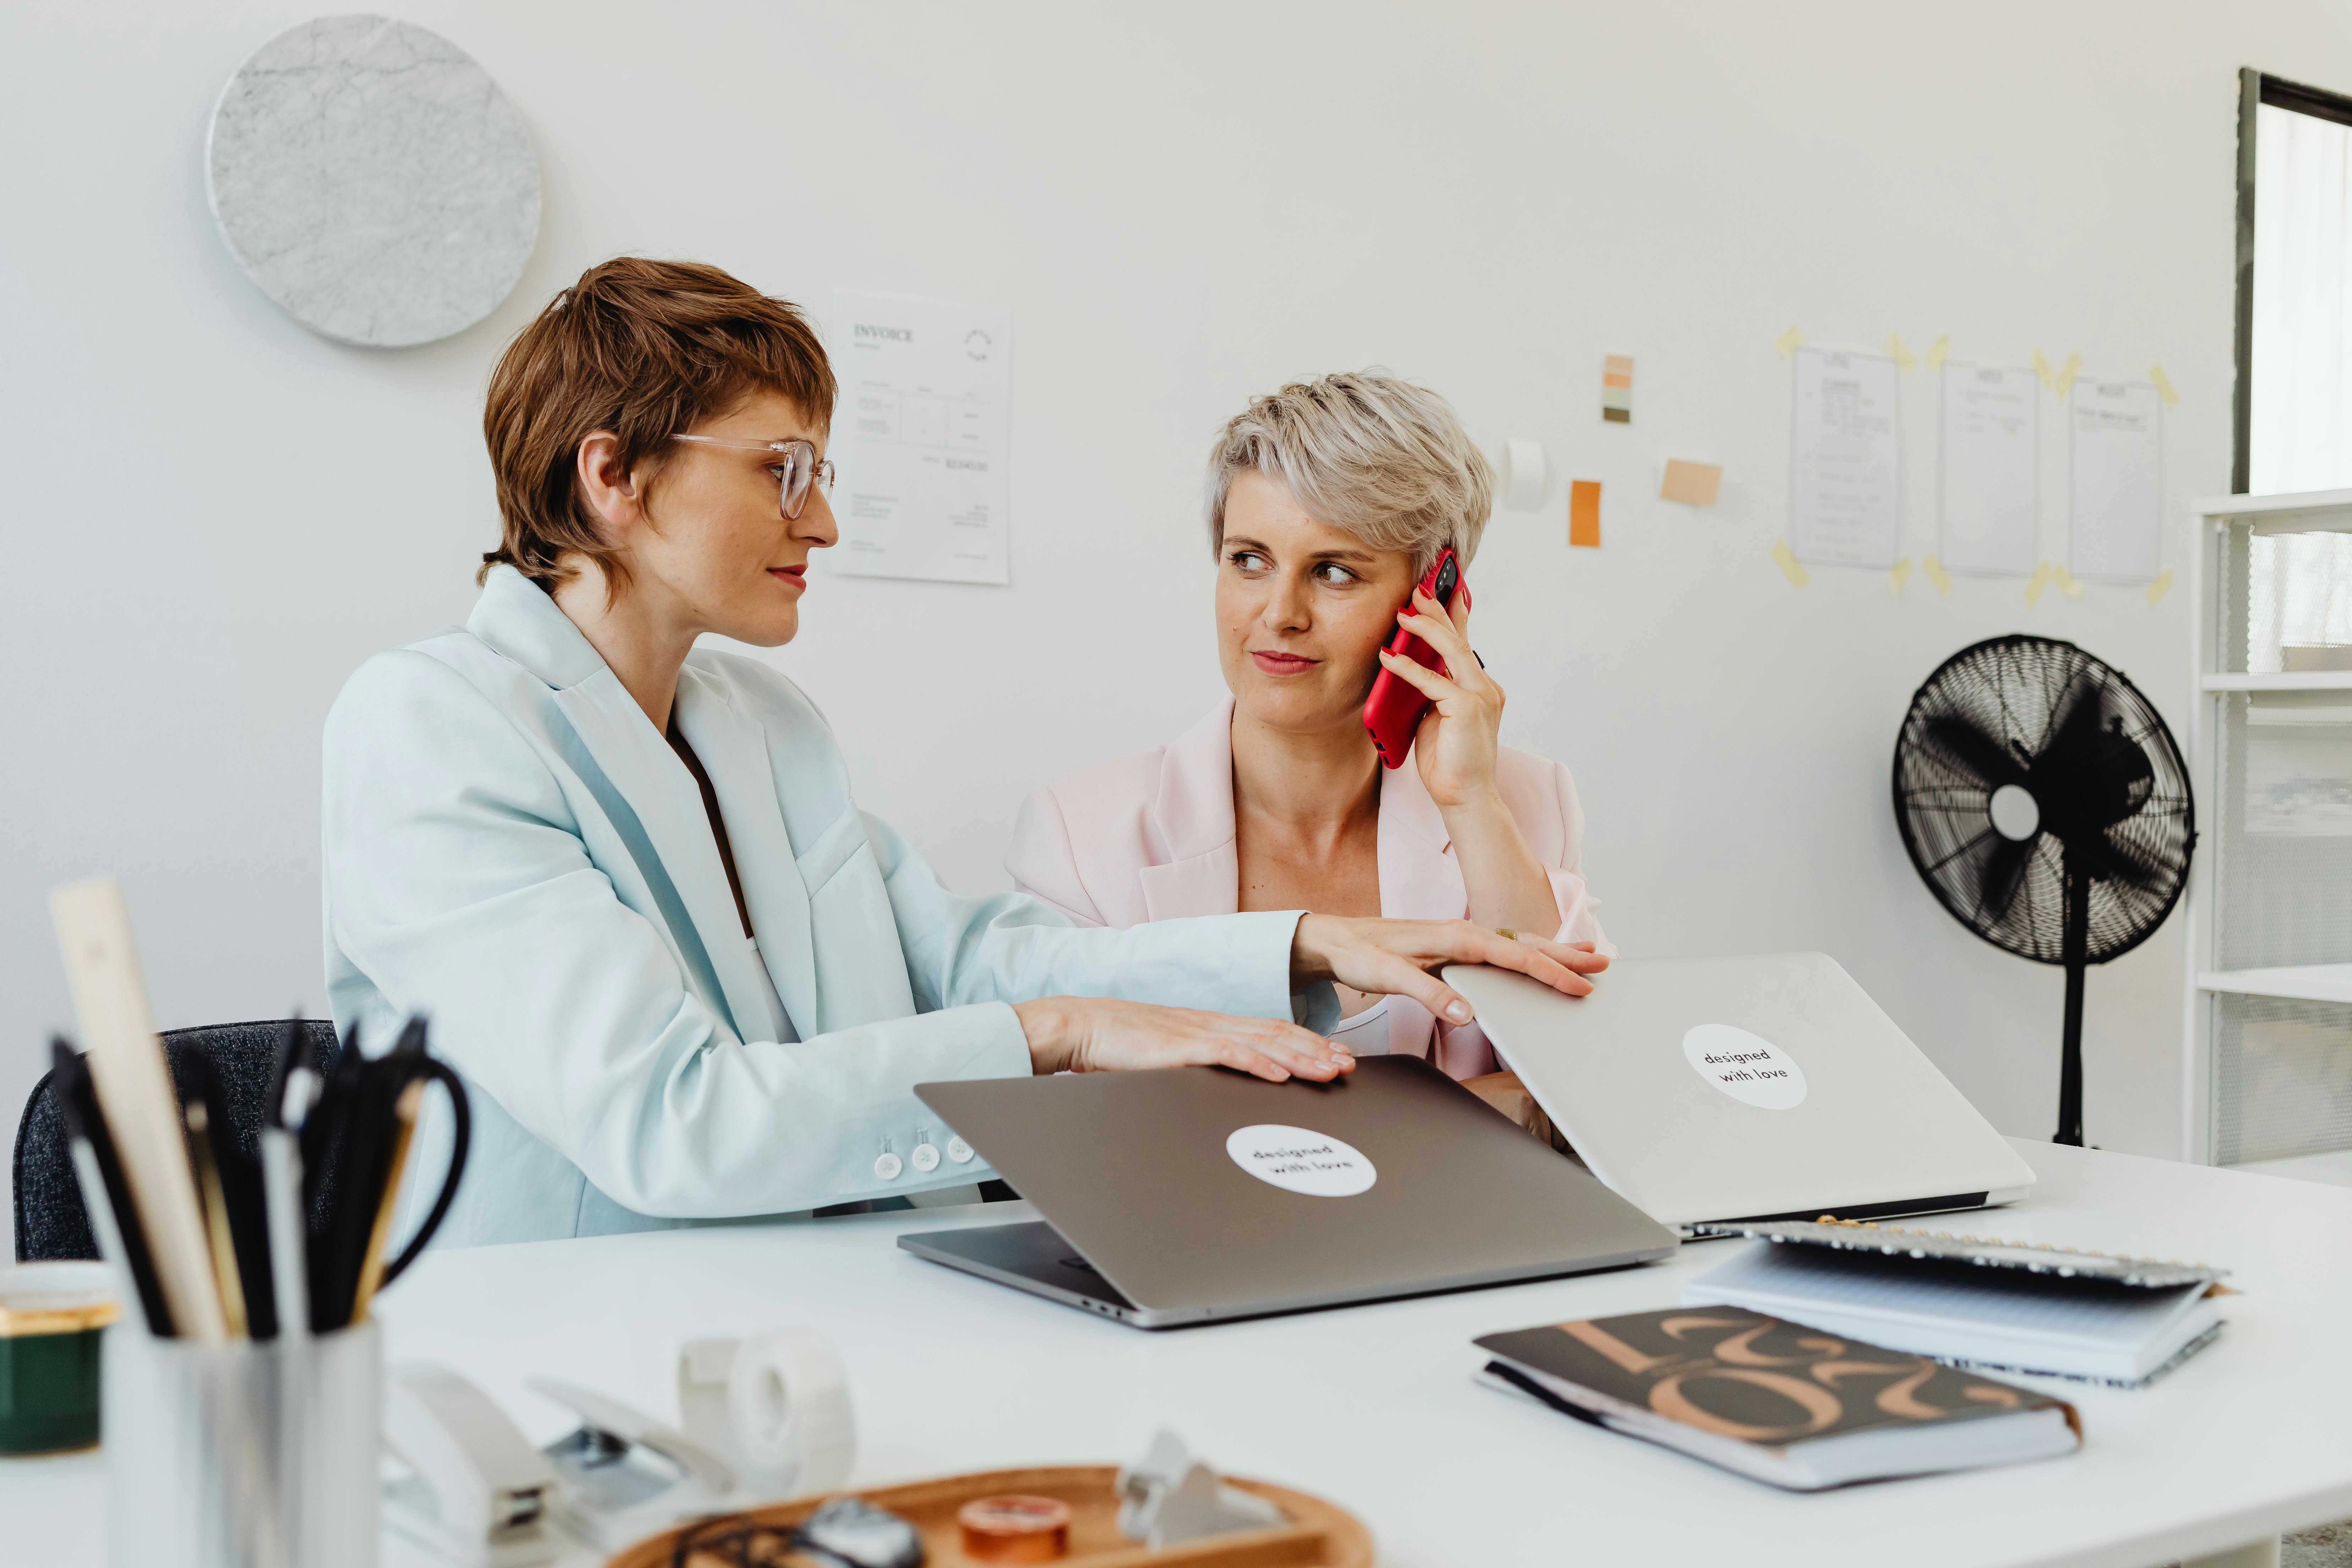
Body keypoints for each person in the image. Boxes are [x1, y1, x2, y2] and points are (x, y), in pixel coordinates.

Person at [322, 261, 1604, 1247]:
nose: (820, 517)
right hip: (568, 1342)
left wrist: (1299, 946)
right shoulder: (433, 725)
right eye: (783, 469)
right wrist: (1054, 1033)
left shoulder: (761, 722)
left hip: (825, 1296)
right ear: (614, 476)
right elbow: (679, 1124)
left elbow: (953, 958)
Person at [1007, 372, 1608, 1091]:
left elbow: (1580, 1082)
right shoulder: (1082, 834)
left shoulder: (1522, 800)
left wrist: (1471, 804)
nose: (1280, 613)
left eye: (1333, 571)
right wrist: (1476, 1114)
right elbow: (1071, 1133)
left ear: (1433, 600)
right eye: (1249, 561)